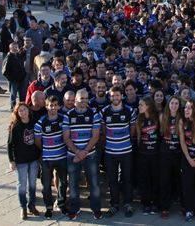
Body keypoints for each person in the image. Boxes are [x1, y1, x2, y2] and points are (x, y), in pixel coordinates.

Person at [63, 89, 103, 221]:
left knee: (94, 182)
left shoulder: (94, 114)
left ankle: (96, 209)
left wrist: (84, 152)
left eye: (87, 98)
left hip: (90, 154)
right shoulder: (68, 115)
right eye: (82, 98)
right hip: (72, 154)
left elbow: (95, 136)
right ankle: (74, 209)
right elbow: (66, 137)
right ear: (76, 101)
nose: (85, 101)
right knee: (73, 183)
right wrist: (77, 152)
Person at [100, 85, 137, 218]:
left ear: (121, 96)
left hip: (126, 151)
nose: (115, 97)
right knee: (112, 179)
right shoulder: (104, 112)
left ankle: (128, 204)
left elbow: (132, 129)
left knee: (127, 179)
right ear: (110, 97)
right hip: (110, 152)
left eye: (117, 95)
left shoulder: (130, 111)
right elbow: (103, 130)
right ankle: (114, 204)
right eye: (112, 95)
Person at [34, 95, 68, 218]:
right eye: (50, 105)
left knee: (63, 182)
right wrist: (46, 150)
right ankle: (48, 207)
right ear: (46, 106)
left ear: (59, 106)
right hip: (47, 159)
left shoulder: (64, 119)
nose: (52, 108)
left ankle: (61, 203)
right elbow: (38, 141)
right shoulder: (41, 122)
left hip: (62, 157)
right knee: (46, 184)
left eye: (55, 105)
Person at [8, 102, 41, 220]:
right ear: (17, 113)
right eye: (20, 110)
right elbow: (10, 144)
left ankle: (32, 205)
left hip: (33, 159)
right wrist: (11, 160)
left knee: (32, 184)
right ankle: (23, 207)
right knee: (22, 185)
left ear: (28, 110)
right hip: (21, 160)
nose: (23, 112)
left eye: (24, 109)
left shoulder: (34, 122)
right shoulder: (15, 126)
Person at [159, 95, 183, 219]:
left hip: (178, 153)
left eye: (176, 104)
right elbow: (160, 135)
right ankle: (164, 207)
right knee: (165, 180)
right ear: (168, 104)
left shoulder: (182, 117)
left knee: (180, 179)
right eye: (172, 103)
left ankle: (184, 205)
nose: (174, 106)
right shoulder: (163, 116)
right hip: (165, 153)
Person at [135, 97, 161, 215]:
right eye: (139, 105)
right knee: (144, 179)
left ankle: (155, 202)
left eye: (141, 105)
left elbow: (161, 134)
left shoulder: (157, 118)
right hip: (143, 154)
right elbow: (139, 137)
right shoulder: (139, 120)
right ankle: (146, 203)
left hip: (155, 154)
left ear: (148, 106)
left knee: (155, 179)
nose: (139, 107)